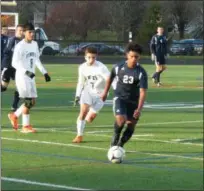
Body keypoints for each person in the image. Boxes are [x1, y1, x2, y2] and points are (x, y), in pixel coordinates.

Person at [101, 42, 148, 148]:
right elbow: (110, 78)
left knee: (131, 125)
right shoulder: (118, 67)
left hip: (133, 101)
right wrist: (105, 92)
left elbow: (143, 92)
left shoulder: (141, 72)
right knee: (121, 120)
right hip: (120, 98)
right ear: (127, 55)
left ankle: (120, 145)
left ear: (139, 57)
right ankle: (115, 136)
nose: (134, 59)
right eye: (131, 56)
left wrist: (139, 109)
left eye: (136, 57)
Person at [8, 23, 51, 133]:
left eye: (33, 32)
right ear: (24, 33)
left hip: (31, 77)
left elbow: (36, 59)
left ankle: (14, 115)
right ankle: (25, 126)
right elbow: (14, 63)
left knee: (32, 102)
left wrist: (44, 72)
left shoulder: (35, 44)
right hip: (22, 77)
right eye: (29, 32)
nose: (32, 34)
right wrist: (26, 72)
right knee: (28, 101)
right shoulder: (20, 46)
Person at [73, 47, 110, 143]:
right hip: (88, 92)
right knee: (83, 112)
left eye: (93, 57)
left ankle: (87, 117)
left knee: (89, 119)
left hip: (100, 95)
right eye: (89, 57)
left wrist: (108, 92)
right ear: (85, 57)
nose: (91, 60)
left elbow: (109, 80)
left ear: (96, 57)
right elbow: (81, 82)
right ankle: (79, 135)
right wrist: (77, 95)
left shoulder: (101, 67)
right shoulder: (82, 67)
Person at [1, 24, 24, 111]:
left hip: (17, 68)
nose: (21, 32)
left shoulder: (23, 42)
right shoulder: (12, 40)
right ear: (16, 31)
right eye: (20, 30)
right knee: (3, 87)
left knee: (20, 86)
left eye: (22, 31)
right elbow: (6, 52)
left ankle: (14, 106)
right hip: (8, 66)